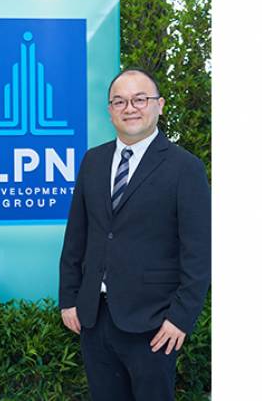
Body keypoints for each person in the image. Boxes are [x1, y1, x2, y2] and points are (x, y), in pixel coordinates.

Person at [58, 68, 211, 400]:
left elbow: (199, 254)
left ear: (160, 105)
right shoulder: (93, 161)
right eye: (120, 101)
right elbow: (76, 237)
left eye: (140, 99)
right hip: (94, 319)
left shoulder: (185, 168)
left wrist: (180, 319)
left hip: (153, 324)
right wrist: (69, 299)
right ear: (110, 110)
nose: (130, 108)